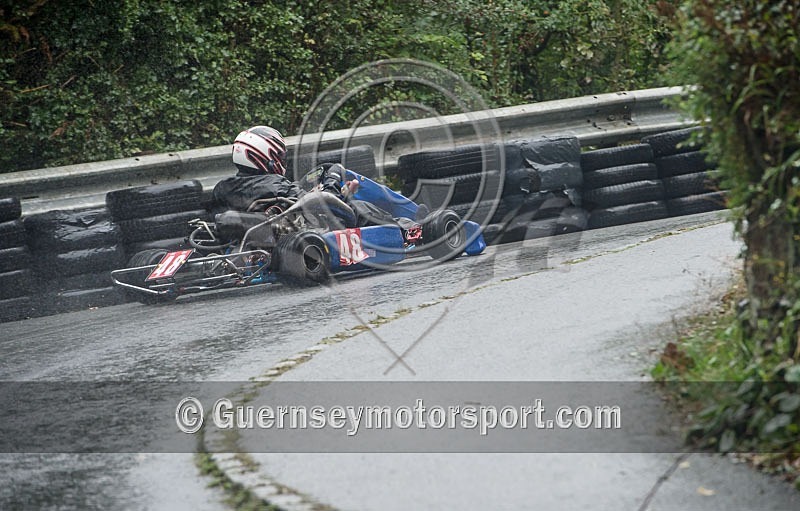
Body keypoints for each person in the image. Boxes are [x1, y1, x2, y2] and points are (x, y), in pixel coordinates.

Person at [212, 125, 396, 227]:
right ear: (265, 158)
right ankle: (405, 228)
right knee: (358, 207)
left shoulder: (222, 188)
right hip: (297, 233)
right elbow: (324, 207)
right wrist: (340, 192)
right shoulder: (276, 185)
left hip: (259, 235)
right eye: (279, 157)